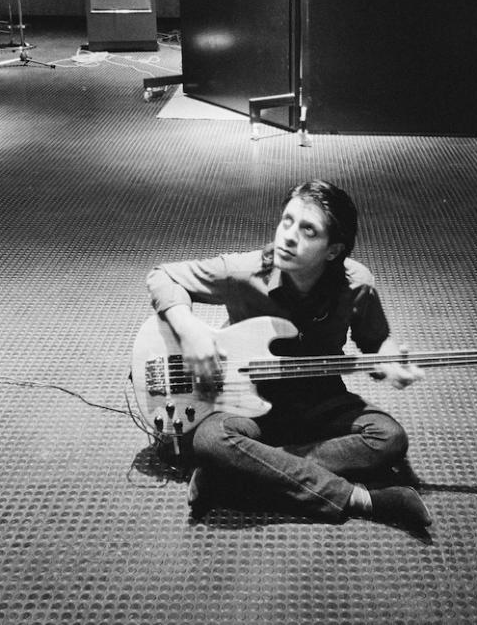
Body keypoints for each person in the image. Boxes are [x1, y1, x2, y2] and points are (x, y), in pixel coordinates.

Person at [145, 180, 432, 530]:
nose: (289, 236)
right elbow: (162, 275)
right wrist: (189, 331)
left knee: (390, 438)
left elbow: (376, 342)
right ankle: (362, 500)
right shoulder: (244, 271)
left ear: (332, 250)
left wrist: (389, 362)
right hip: (246, 399)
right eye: (287, 221)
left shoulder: (357, 284)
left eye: (308, 230)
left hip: (319, 397)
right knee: (211, 439)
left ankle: (238, 472)